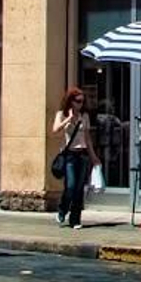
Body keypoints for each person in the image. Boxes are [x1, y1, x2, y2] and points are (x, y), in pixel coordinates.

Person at [51, 87, 99, 229]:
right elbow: (55, 130)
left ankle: (75, 219)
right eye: (78, 101)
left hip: (82, 154)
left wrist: (93, 156)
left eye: (82, 102)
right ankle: (62, 209)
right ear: (70, 101)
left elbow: (88, 138)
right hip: (69, 155)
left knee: (79, 189)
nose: (80, 104)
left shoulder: (84, 116)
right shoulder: (62, 114)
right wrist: (68, 119)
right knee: (70, 186)